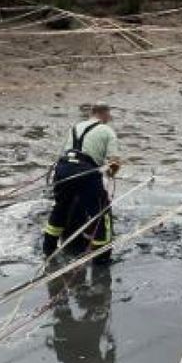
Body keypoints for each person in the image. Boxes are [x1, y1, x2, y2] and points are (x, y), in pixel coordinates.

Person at [42, 103, 122, 263]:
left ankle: (48, 250)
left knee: (60, 209)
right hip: (86, 172)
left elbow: (64, 152)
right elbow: (115, 162)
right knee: (100, 214)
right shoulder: (107, 131)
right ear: (105, 114)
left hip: (63, 169)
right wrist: (109, 174)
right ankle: (101, 260)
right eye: (109, 115)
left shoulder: (75, 127)